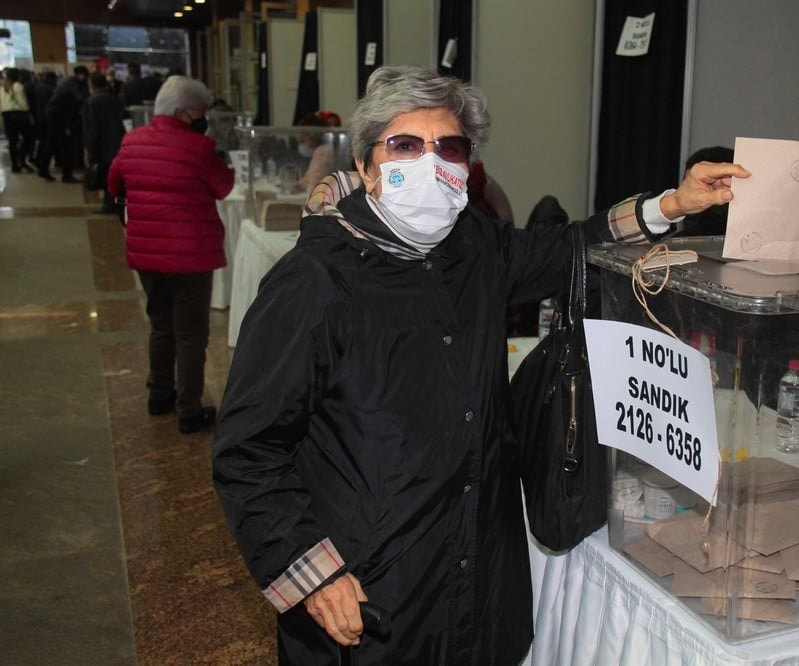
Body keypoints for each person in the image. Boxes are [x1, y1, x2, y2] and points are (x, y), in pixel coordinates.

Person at [211, 65, 748, 664]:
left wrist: (674, 203)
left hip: (479, 578)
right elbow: (248, 451)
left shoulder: (475, 245)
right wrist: (310, 573)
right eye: (405, 145)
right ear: (365, 167)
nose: (430, 162)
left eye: (450, 147)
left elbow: (574, 246)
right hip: (375, 596)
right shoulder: (315, 283)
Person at [107, 75, 234, 434]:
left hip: (148, 253)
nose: (203, 117)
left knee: (161, 327)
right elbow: (223, 187)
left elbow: (114, 180)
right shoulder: (199, 149)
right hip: (191, 256)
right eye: (199, 111)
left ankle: (158, 394)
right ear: (182, 112)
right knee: (192, 334)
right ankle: (189, 409)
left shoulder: (132, 141)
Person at [82, 72, 126, 214]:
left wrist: (90, 149)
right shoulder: (114, 98)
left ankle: (109, 205)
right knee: (114, 175)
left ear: (91, 84)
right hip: (117, 141)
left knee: (105, 175)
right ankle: (114, 203)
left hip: (102, 145)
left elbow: (92, 128)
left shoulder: (92, 101)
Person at [39, 65, 90, 183]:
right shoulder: (72, 84)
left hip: (55, 115)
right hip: (58, 117)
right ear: (81, 75)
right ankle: (67, 175)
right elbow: (80, 98)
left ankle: (44, 169)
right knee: (67, 145)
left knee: (53, 143)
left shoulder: (69, 82)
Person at [1, 68, 34, 173]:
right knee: (28, 138)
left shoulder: (3, 87)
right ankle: (22, 159)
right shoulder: (18, 86)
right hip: (19, 114)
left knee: (12, 141)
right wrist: (29, 115)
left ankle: (15, 165)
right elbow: (23, 103)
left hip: (6, 115)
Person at [32, 70, 57, 179]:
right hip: (50, 119)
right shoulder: (52, 89)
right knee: (50, 143)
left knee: (43, 141)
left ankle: (39, 160)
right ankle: (43, 165)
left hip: (40, 117)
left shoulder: (38, 87)